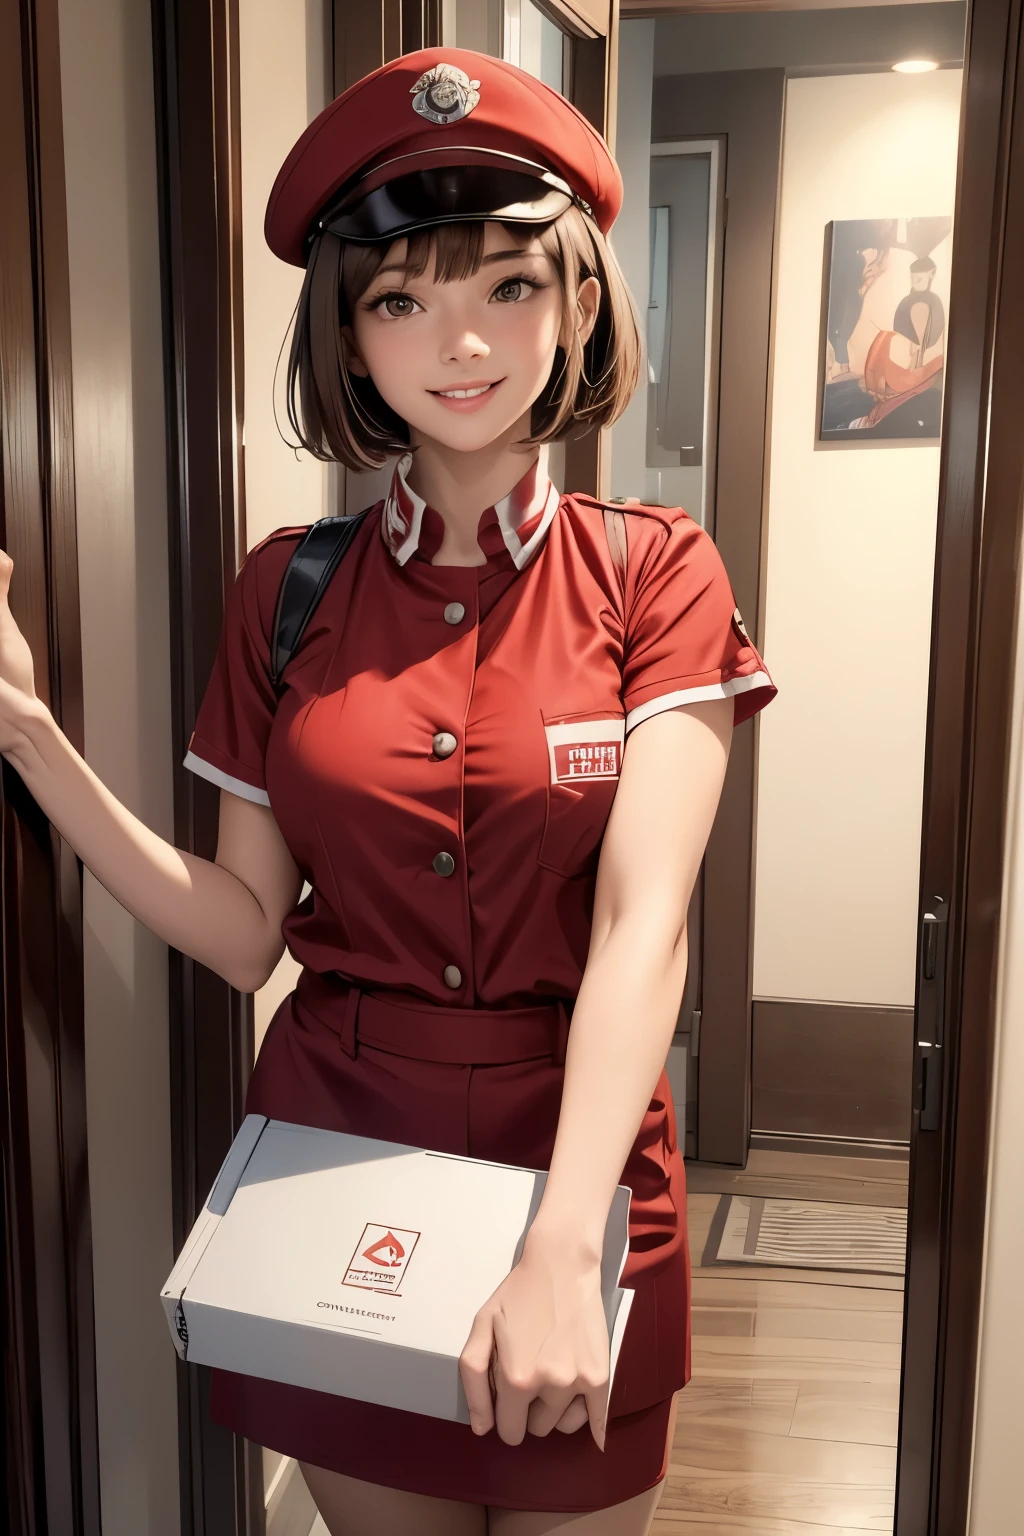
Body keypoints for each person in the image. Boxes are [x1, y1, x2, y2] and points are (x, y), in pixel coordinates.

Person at [0, 45, 776, 1536]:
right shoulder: (287, 590)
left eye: (506, 286)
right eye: (400, 299)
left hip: (585, 1152)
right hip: (339, 1153)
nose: (459, 343)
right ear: (350, 339)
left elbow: (642, 927)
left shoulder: (654, 570)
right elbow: (241, 933)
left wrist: (558, 1251)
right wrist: (32, 735)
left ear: (578, 301)